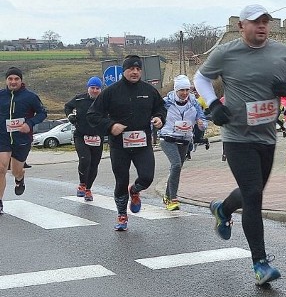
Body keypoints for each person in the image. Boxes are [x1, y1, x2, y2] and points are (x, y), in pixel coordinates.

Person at [194, 4, 286, 285]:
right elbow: (201, 78)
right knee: (254, 194)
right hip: (237, 135)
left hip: (266, 135)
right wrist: (213, 103)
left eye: (265, 21)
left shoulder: (281, 52)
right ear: (242, 26)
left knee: (252, 191)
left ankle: (223, 209)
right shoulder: (226, 53)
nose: (262, 26)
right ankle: (260, 264)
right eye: (255, 22)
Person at [87, 55, 166, 231]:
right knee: (121, 180)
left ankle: (135, 190)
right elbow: (93, 114)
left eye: (138, 69)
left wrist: (160, 118)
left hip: (142, 142)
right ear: (124, 71)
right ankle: (122, 215)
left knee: (147, 177)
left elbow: (160, 108)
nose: (135, 72)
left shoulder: (149, 90)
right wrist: (110, 125)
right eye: (131, 69)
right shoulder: (111, 92)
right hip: (119, 145)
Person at [0, 67, 47, 214]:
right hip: (3, 137)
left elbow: (42, 113)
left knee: (15, 171)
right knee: (1, 168)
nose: (13, 82)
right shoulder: (1, 96)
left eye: (16, 79)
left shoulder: (30, 97)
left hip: (22, 139)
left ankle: (20, 178)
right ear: (6, 80)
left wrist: (29, 124)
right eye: (10, 79)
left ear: (21, 81)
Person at [158, 75, 207, 210]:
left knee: (177, 168)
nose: (185, 93)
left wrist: (201, 124)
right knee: (176, 164)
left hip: (185, 139)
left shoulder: (193, 102)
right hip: (168, 138)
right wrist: (156, 122)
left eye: (187, 90)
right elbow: (157, 114)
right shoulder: (167, 102)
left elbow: (202, 118)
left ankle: (167, 196)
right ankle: (173, 198)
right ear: (176, 90)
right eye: (181, 90)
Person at [64, 76, 105, 202]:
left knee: (94, 164)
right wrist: (70, 115)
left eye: (97, 88)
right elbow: (67, 106)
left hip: (97, 137)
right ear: (88, 88)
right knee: (85, 159)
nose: (94, 90)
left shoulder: (104, 101)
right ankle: (82, 184)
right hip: (81, 135)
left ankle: (88, 189)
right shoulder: (79, 98)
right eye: (92, 88)